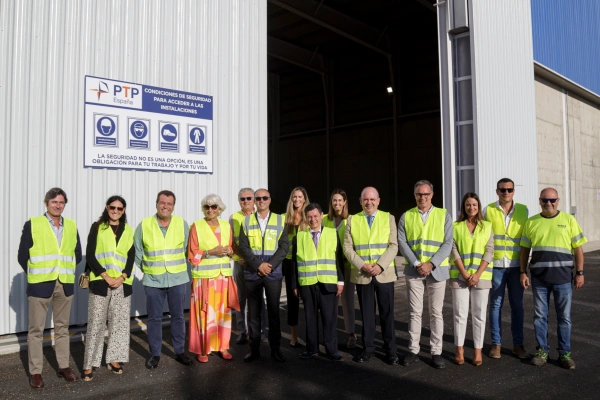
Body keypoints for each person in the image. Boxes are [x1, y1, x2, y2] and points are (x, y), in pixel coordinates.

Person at [17, 187, 83, 388]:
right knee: (36, 330)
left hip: (64, 283)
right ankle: (35, 372)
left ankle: (63, 366)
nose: (58, 205)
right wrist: (37, 274)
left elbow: (77, 253)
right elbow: (22, 255)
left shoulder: (71, 225)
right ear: (46, 203)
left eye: (61, 202)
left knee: (62, 328)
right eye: (54, 201)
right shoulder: (33, 224)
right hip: (40, 284)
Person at [520, 187, 587, 369]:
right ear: (539, 201)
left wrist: (580, 273)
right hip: (539, 279)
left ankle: (565, 353)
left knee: (564, 317)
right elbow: (525, 249)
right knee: (539, 317)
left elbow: (578, 249)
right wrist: (522, 272)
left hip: (563, 279)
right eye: (544, 200)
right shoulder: (531, 222)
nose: (548, 203)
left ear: (558, 201)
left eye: (552, 200)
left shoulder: (569, 220)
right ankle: (542, 351)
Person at [134, 190, 193, 369]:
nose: (165, 206)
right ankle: (155, 354)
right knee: (154, 318)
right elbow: (137, 252)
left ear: (173, 206)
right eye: (162, 202)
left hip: (178, 278)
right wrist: (148, 269)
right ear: (156, 204)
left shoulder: (182, 224)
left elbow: (186, 249)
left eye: (169, 203)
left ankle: (179, 351)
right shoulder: (144, 225)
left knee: (177, 317)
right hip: (153, 280)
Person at [398, 180, 453, 369]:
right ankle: (413, 350)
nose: (423, 197)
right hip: (414, 270)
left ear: (432, 195)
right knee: (415, 312)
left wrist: (431, 263)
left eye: (426, 194)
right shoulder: (407, 216)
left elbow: (448, 243)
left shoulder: (443, 215)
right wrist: (416, 263)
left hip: (436, 270)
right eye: (419, 194)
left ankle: (436, 352)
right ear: (414, 195)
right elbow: (402, 242)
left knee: (436, 313)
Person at [343, 187, 399, 365]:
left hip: (384, 273)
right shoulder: (352, 219)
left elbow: (393, 245)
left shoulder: (388, 218)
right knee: (366, 314)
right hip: (362, 273)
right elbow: (347, 247)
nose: (369, 202)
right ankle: (368, 349)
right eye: (365, 199)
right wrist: (362, 265)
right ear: (360, 201)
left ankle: (391, 350)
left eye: (372, 199)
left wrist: (380, 266)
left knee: (387, 314)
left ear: (378, 200)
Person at [82, 195, 135, 380]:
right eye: (113, 207)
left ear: (124, 210)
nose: (115, 211)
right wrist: (105, 275)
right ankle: (89, 364)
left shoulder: (128, 230)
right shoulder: (97, 227)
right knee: (96, 324)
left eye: (120, 208)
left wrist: (122, 276)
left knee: (119, 325)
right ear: (106, 207)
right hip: (100, 282)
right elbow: (90, 254)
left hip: (122, 284)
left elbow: (131, 256)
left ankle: (114, 359)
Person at [238, 188, 289, 363]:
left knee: (274, 312)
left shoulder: (280, 220)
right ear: (254, 200)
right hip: (253, 273)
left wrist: (269, 266)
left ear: (269, 199)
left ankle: (275, 349)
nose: (261, 200)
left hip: (272, 273)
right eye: (257, 198)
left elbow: (284, 247)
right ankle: (254, 349)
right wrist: (258, 265)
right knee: (254, 314)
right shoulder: (246, 221)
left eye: (264, 197)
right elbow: (243, 248)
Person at [188, 194, 240, 362]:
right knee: (204, 314)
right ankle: (203, 349)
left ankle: (223, 346)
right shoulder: (196, 226)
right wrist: (211, 252)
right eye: (207, 207)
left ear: (220, 209)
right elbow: (191, 254)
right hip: (204, 279)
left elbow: (232, 249)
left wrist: (230, 251)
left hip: (223, 278)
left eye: (214, 206)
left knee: (223, 314)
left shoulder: (226, 226)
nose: (210, 210)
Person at [292, 203, 344, 361]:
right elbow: (295, 263)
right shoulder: (299, 237)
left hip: (328, 282)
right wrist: (295, 285)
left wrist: (340, 281)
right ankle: (311, 349)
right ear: (305, 218)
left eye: (315, 216)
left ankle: (331, 350)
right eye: (309, 217)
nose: (313, 219)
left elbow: (338, 259)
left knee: (329, 319)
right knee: (310, 318)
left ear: (322, 216)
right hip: (307, 283)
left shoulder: (332, 233)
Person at [485, 178, 529, 359]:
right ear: (497, 191)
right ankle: (496, 344)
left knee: (517, 306)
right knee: (495, 305)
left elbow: (527, 239)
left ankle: (518, 345)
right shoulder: (488, 210)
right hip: (496, 266)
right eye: (502, 190)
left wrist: (524, 269)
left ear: (513, 191)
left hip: (516, 265)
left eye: (509, 189)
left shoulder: (523, 210)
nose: (506, 193)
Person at [450, 193, 494, 366]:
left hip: (481, 277)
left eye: (474, 205)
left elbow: (489, 251)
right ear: (464, 207)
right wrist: (465, 274)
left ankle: (477, 350)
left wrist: (476, 275)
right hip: (460, 277)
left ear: (478, 206)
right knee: (460, 314)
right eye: (468, 205)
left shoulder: (487, 226)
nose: (471, 208)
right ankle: (459, 349)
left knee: (479, 315)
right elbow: (453, 251)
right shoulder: (456, 226)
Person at [230, 188, 267, 345]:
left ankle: (261, 331)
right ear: (239, 201)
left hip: (256, 265)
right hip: (240, 264)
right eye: (242, 199)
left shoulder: (259, 215)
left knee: (259, 298)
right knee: (240, 299)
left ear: (254, 200)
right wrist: (240, 258)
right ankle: (242, 331)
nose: (245, 201)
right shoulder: (234, 218)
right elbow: (231, 241)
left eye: (248, 198)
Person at [323, 189, 357, 348]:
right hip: (330, 267)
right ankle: (331, 334)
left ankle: (351, 334)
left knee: (348, 301)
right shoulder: (324, 220)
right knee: (331, 302)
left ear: (345, 202)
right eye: (334, 200)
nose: (337, 203)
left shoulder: (352, 220)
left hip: (347, 265)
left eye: (339, 200)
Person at [282, 186, 310, 347]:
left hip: (305, 262)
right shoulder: (285, 218)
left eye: (300, 197)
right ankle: (293, 336)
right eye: (294, 197)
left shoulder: (310, 216)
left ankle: (309, 334)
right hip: (288, 262)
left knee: (307, 299)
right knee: (292, 300)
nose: (297, 200)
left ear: (304, 199)